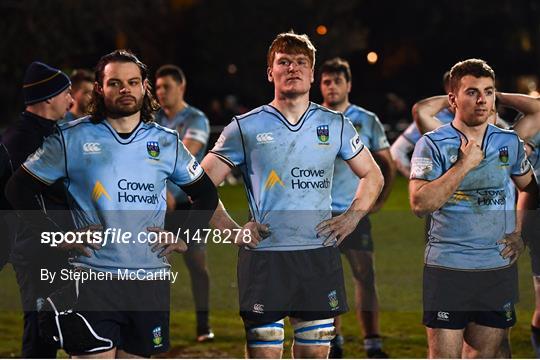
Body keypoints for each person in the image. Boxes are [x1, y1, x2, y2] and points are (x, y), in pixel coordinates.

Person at [6, 50, 218, 358]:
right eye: (115, 83)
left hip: (150, 283)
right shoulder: (71, 139)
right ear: (99, 88)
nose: (125, 90)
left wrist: (186, 235)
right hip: (93, 281)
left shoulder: (167, 142)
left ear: (145, 87)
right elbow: (18, 190)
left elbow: (206, 194)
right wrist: (55, 234)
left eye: (133, 82)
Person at [201, 32, 384, 359]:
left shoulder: (336, 124)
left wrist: (352, 216)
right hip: (265, 257)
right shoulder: (245, 127)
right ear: (270, 72)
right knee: (266, 355)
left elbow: (373, 175)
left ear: (312, 74)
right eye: (283, 62)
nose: (293, 68)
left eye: (301, 63)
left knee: (315, 353)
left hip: (317, 256)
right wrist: (231, 231)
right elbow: (198, 185)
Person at [409, 58, 538, 358]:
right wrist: (464, 165)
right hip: (448, 268)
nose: (482, 100)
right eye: (471, 92)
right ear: (452, 98)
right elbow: (420, 204)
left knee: (487, 354)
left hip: (496, 268)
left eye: (488, 91)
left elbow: (530, 188)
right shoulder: (432, 144)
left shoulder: (509, 142)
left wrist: (520, 234)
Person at [318, 57, 395, 358]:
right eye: (326, 81)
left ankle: (372, 342)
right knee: (326, 278)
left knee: (365, 274)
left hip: (356, 210)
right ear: (320, 85)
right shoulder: (312, 118)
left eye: (338, 81)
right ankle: (333, 341)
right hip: (321, 213)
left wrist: (379, 200)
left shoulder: (366, 119)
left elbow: (386, 161)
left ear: (348, 85)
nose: (332, 86)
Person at [1, 61, 73, 358]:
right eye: (66, 93)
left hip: (58, 247)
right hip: (37, 252)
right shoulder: (19, 141)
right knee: (41, 330)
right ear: (48, 98)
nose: (72, 100)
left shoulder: (52, 133)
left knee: (61, 325)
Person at [154, 64, 214, 342]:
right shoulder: (151, 119)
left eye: (166, 86)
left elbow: (184, 155)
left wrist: (163, 184)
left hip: (188, 204)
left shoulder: (196, 118)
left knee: (196, 264)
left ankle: (203, 325)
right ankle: (158, 327)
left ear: (182, 87)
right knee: (157, 267)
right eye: (157, 87)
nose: (160, 92)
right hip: (158, 206)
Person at [390, 72, 453, 178]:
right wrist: (414, 177)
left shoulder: (483, 117)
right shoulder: (431, 118)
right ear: (449, 90)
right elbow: (396, 151)